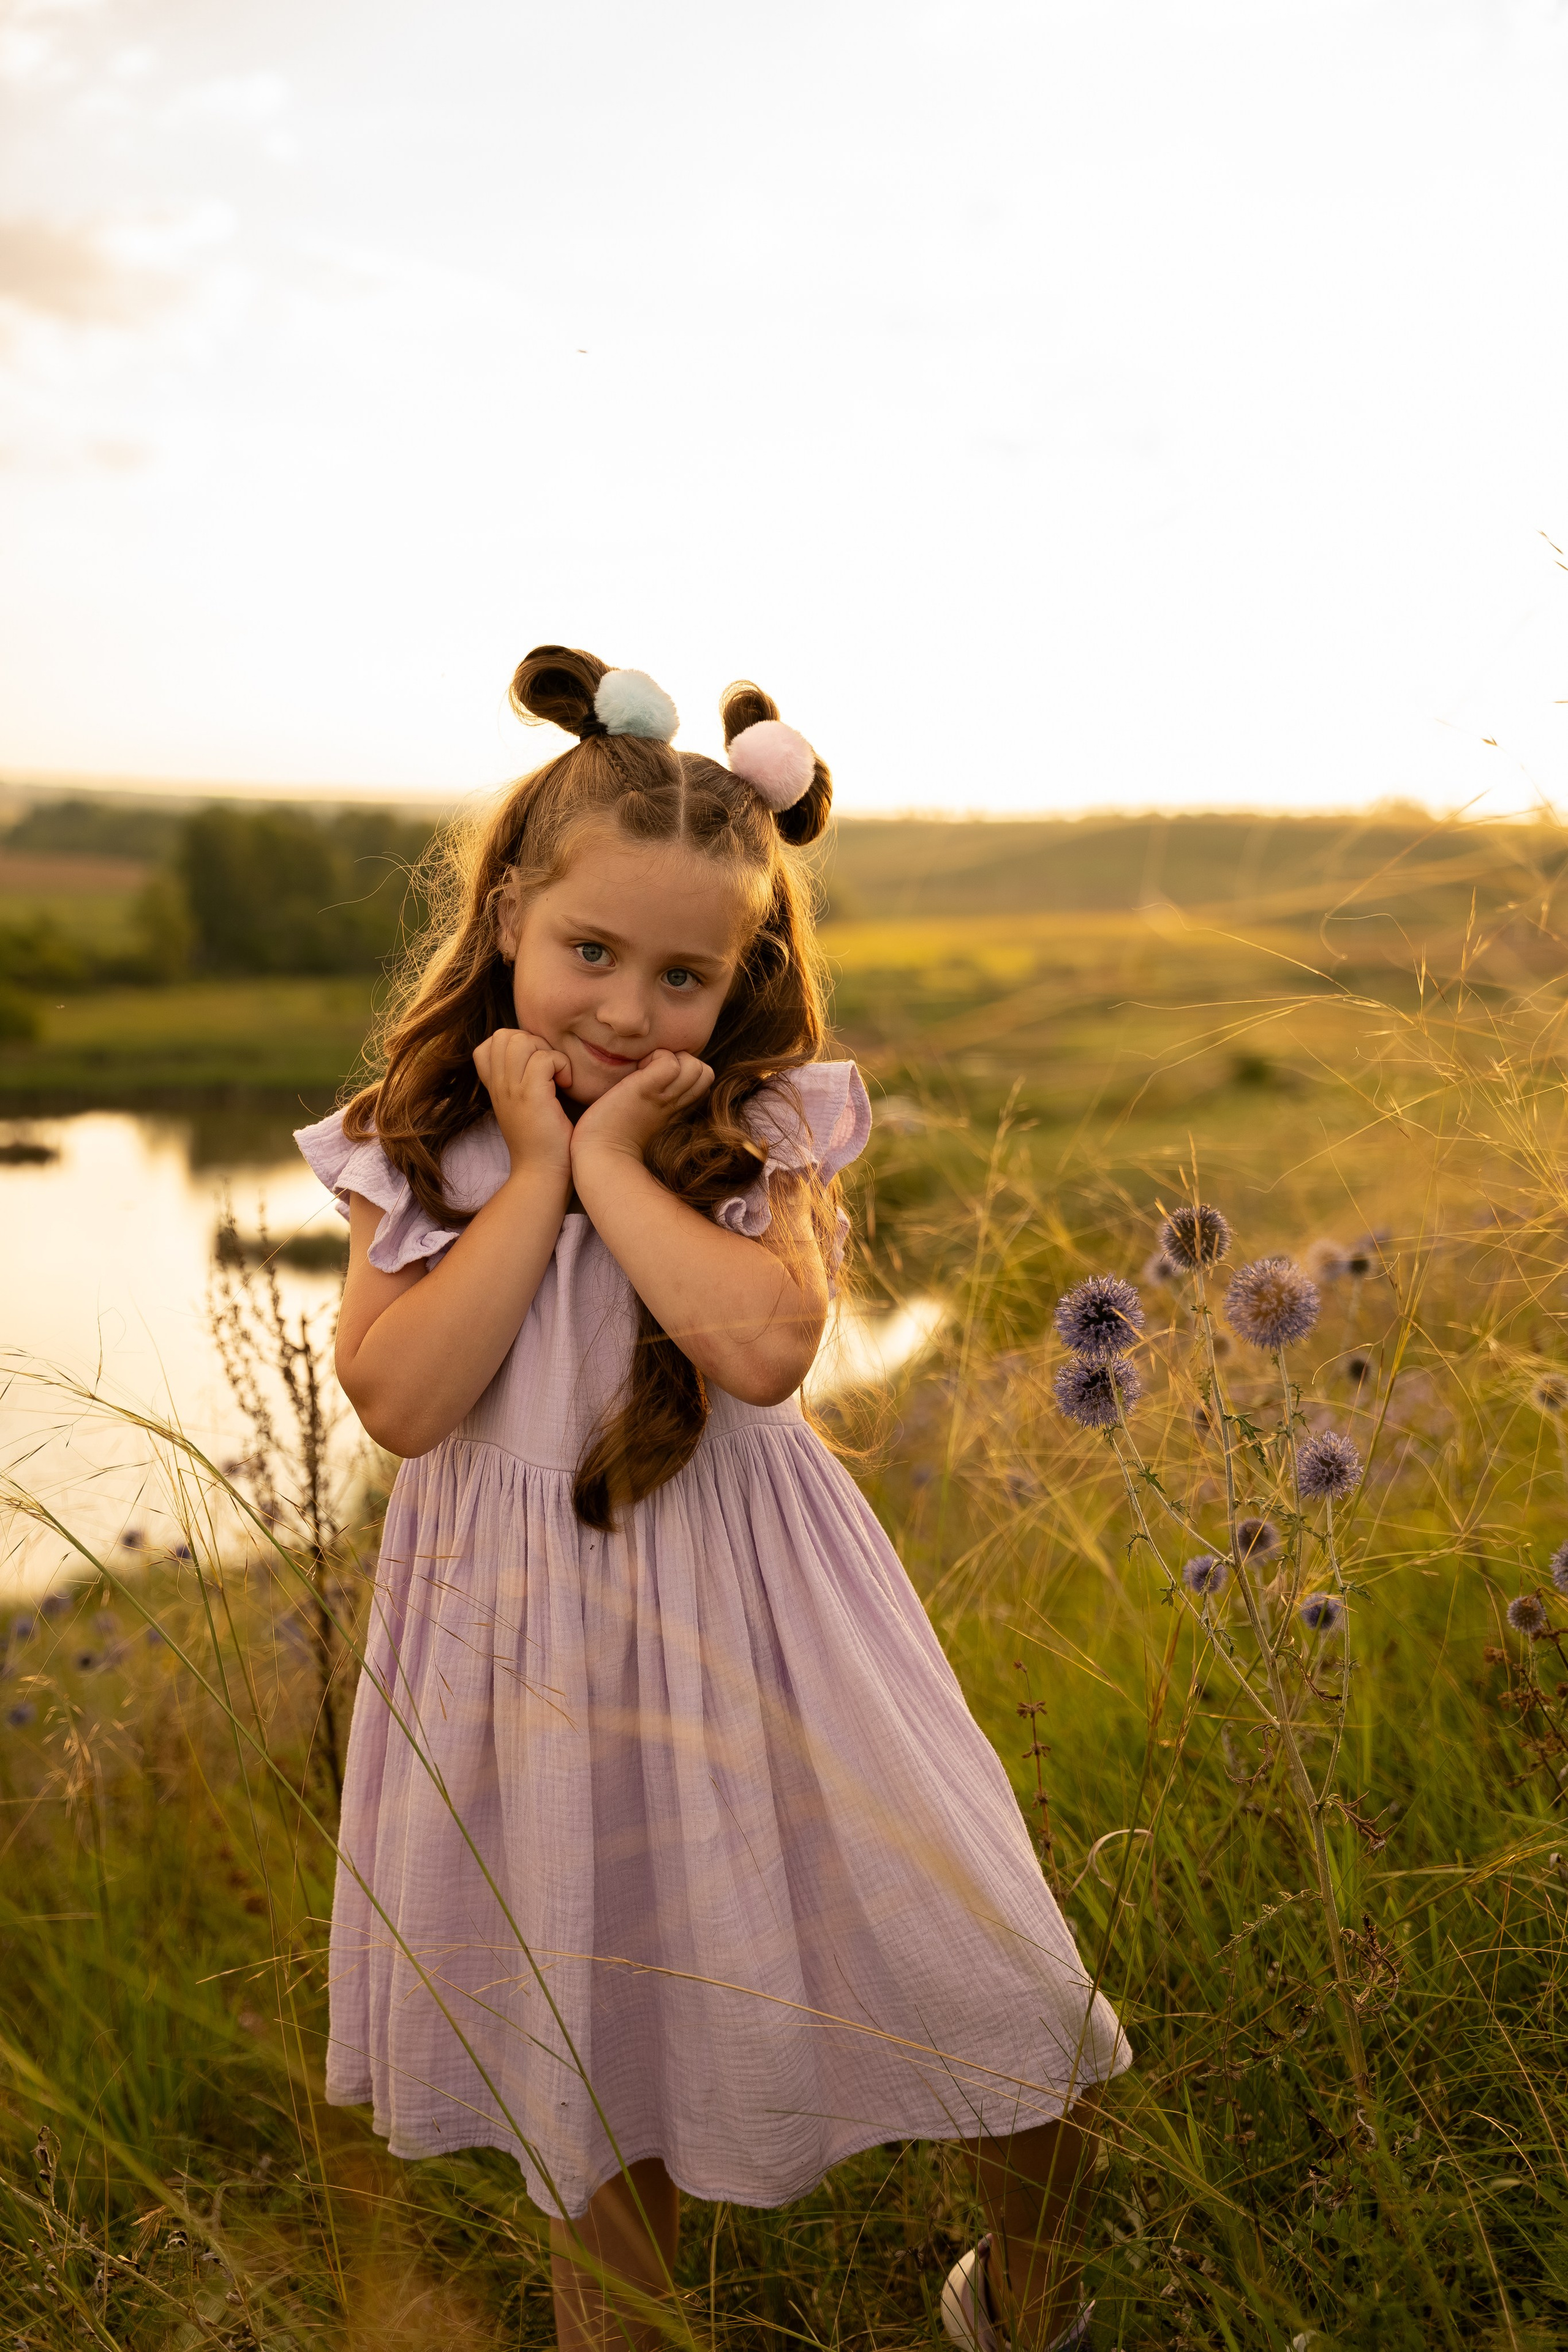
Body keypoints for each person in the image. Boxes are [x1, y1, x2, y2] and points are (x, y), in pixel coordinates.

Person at [296, 644, 1130, 2352]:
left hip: (767, 1622)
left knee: (1012, 1996)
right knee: (595, 2064)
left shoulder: (754, 1131)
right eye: (588, 952)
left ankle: (1024, 2312)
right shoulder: (427, 1140)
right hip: (524, 1642)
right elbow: (401, 1399)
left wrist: (612, 1162)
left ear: (739, 978)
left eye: (680, 976)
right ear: (511, 915)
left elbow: (760, 1355)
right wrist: (536, 1174)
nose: (621, 1006)